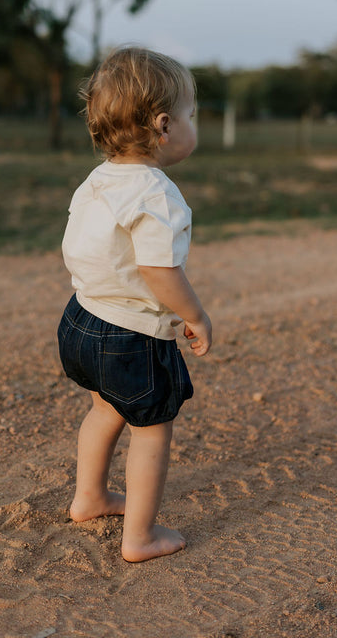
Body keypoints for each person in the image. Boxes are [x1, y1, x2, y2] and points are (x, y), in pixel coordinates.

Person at [58, 46, 212, 562]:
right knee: (152, 428)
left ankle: (91, 496)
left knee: (104, 408)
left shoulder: (99, 178)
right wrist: (194, 315)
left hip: (81, 320)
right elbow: (159, 271)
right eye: (192, 114)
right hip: (129, 335)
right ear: (164, 125)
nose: (195, 123)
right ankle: (140, 537)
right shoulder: (155, 193)